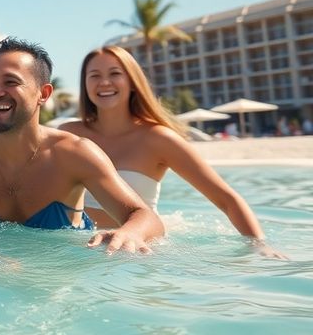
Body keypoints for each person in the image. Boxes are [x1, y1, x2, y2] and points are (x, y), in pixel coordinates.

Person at [0, 37, 164, 253]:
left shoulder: (74, 154)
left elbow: (146, 217)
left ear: (44, 93)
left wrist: (130, 233)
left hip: (68, 275)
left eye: (11, 82)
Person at [60, 45, 286, 258]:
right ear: (85, 84)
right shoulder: (69, 135)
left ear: (133, 82)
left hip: (135, 251)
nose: (104, 82)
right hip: (77, 247)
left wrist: (259, 245)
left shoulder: (159, 138)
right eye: (94, 76)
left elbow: (227, 199)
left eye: (115, 73)